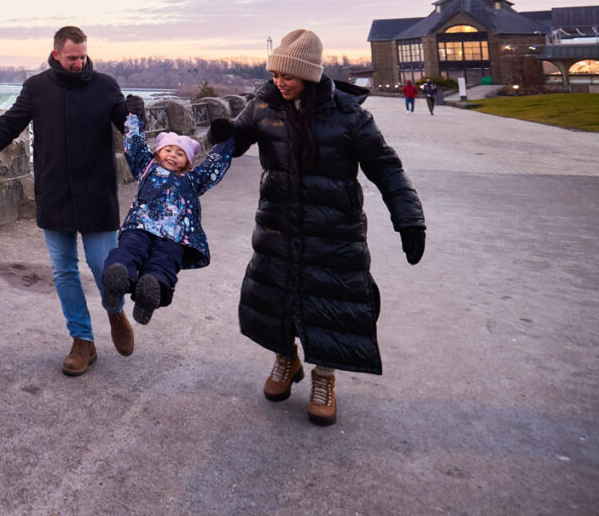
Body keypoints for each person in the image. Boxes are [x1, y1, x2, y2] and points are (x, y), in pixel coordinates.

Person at [227, 29, 426, 426]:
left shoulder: (349, 116)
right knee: (275, 297)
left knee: (329, 304)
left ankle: (324, 378)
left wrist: (409, 218)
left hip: (333, 230)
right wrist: (197, 148)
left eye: (288, 76)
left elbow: (386, 167)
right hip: (278, 226)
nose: (279, 82)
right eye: (275, 74)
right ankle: (286, 359)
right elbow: (232, 142)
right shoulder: (264, 105)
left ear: (309, 75)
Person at [0, 26, 127, 376]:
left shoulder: (106, 86)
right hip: (55, 193)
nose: (79, 62)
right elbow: (10, 124)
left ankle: (115, 313)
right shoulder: (37, 88)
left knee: (105, 269)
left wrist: (135, 112)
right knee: (64, 271)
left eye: (83, 56)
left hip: (98, 193)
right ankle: (83, 340)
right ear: (56, 54)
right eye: (72, 57)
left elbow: (125, 123)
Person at [100, 99, 235, 327]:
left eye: (180, 153)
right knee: (129, 250)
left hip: (174, 237)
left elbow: (215, 165)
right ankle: (119, 278)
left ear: (188, 162)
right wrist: (133, 116)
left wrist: (228, 141)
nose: (172, 155)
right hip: (141, 226)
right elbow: (134, 144)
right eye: (168, 150)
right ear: (158, 153)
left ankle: (151, 290)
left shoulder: (193, 179)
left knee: (165, 262)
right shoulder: (147, 167)